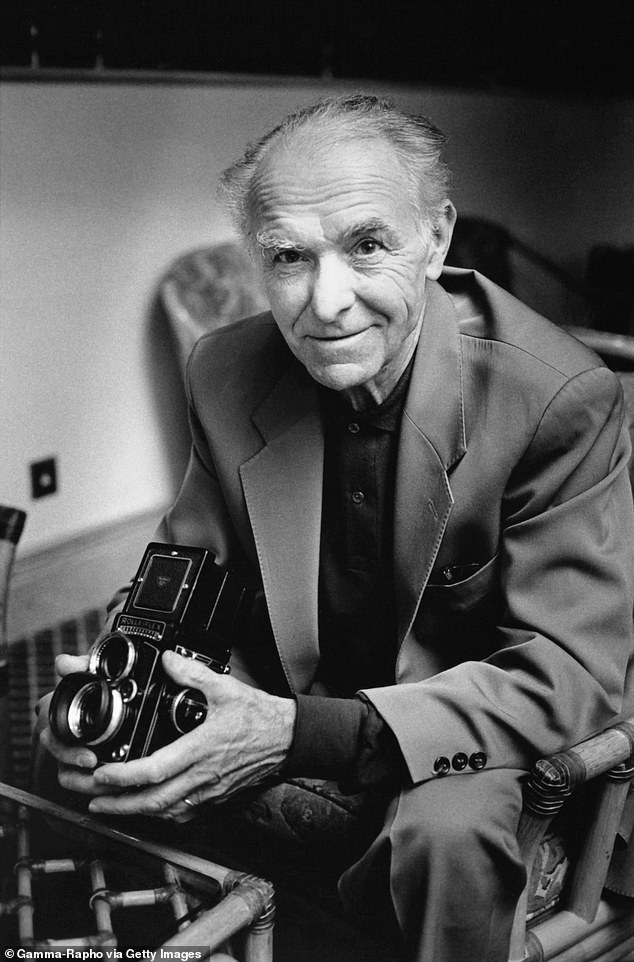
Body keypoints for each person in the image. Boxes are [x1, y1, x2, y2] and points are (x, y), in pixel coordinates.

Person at [38, 95, 634, 962]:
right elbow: (189, 571)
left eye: (366, 245)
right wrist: (122, 676)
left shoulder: (556, 398)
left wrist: (296, 732)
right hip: (295, 678)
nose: (327, 302)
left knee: (442, 837)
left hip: (471, 720)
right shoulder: (227, 367)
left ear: (435, 238)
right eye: (288, 256)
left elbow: (568, 675)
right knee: (85, 745)